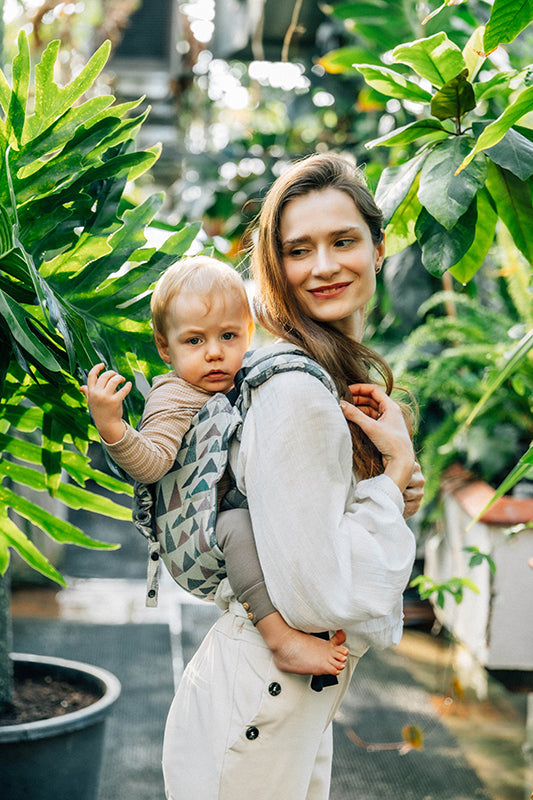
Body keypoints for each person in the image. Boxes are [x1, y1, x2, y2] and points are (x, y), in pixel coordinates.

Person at [161, 153, 423, 800]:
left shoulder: (307, 370)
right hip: (262, 703)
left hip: (276, 701)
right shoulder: (296, 390)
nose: (324, 266)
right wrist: (393, 476)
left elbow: (304, 531)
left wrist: (385, 495)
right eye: (298, 250)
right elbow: (320, 598)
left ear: (378, 247)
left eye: (343, 241)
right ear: (274, 266)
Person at [81, 255, 350, 678]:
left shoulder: (251, 375)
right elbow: (150, 465)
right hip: (196, 537)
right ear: (164, 347)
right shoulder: (174, 396)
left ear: (248, 332)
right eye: (194, 341)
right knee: (239, 525)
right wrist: (112, 426)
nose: (214, 353)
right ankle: (280, 639)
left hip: (230, 514)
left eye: (228, 335)